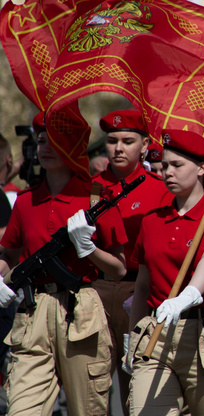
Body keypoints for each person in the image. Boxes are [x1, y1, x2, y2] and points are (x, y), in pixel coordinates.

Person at [0, 111, 128, 416]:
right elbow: (8, 254)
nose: (44, 147)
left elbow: (119, 267)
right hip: (33, 312)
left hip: (80, 309)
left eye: (53, 141)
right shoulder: (27, 201)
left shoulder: (95, 199)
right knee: (22, 409)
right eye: (40, 140)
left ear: (71, 145)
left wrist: (88, 249)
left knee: (88, 408)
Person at [126, 129, 204, 415]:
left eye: (177, 165)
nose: (168, 172)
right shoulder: (152, 221)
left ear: (202, 168)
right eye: (165, 165)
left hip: (203, 335)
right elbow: (142, 285)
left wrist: (188, 294)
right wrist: (132, 336)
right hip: (157, 334)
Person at [93, 108, 170, 415]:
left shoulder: (161, 189)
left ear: (145, 144)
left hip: (137, 291)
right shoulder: (91, 188)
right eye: (112, 140)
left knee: (135, 383)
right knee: (93, 384)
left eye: (128, 140)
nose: (119, 148)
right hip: (95, 291)